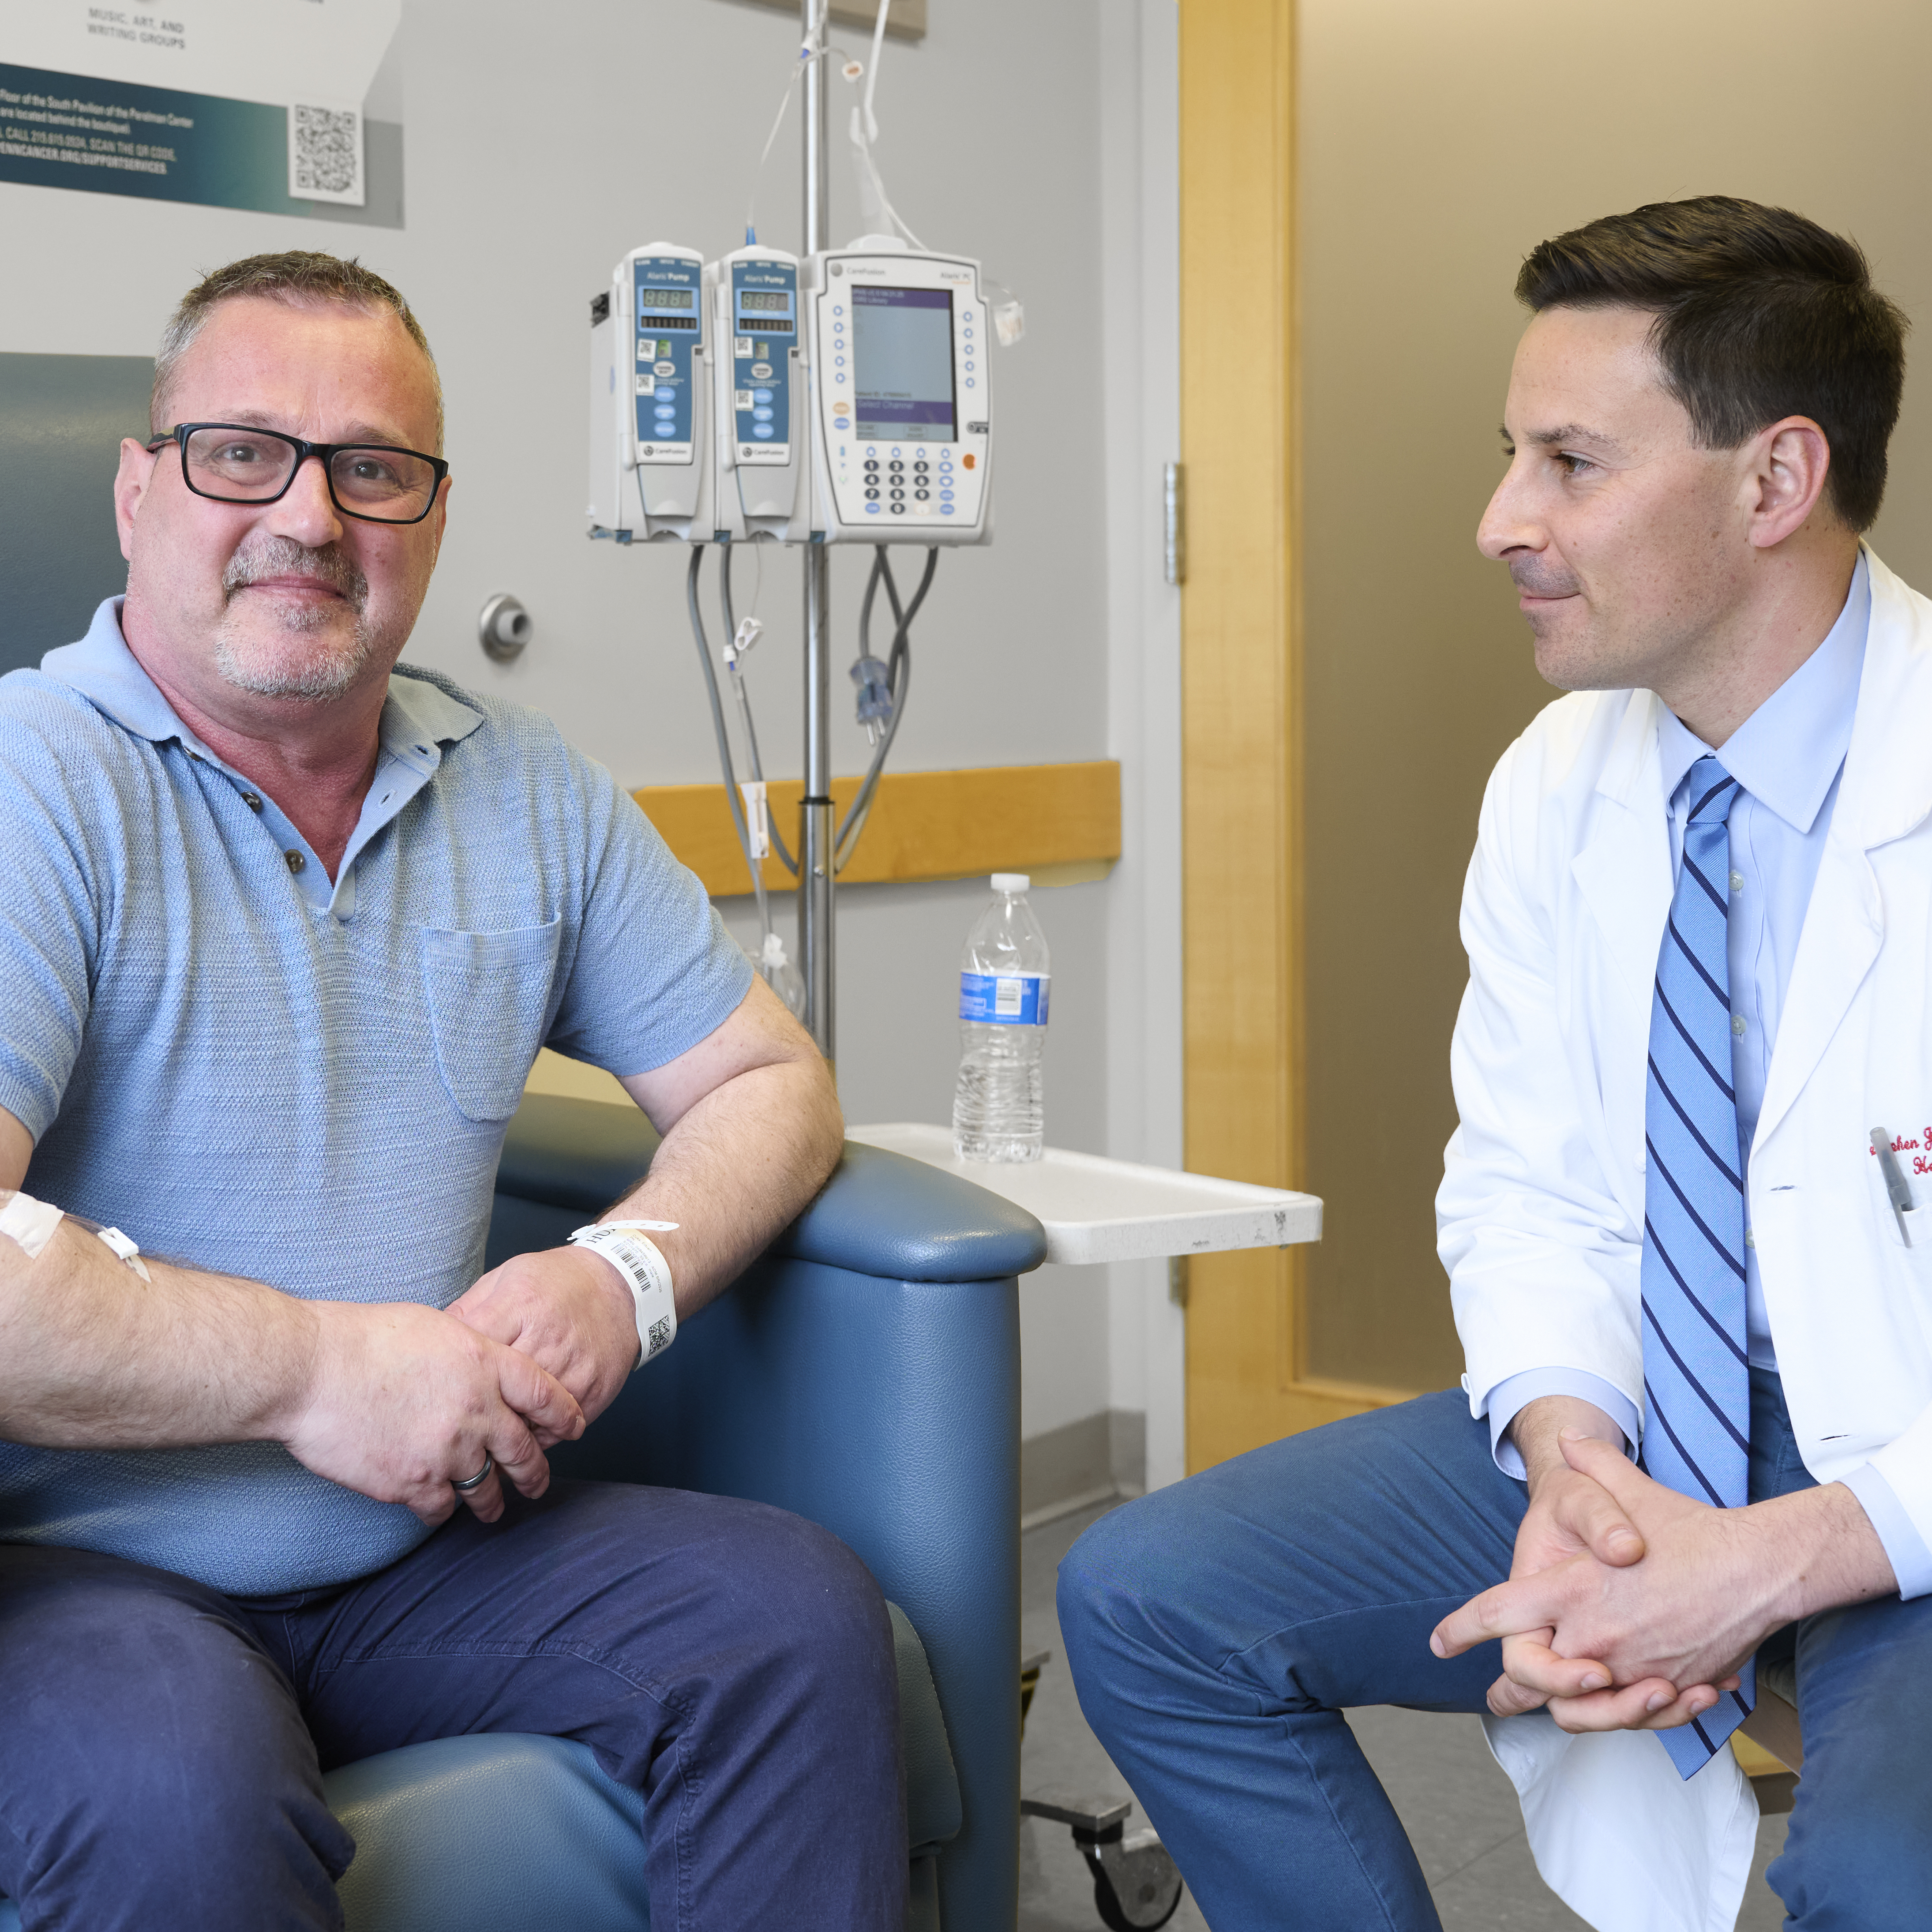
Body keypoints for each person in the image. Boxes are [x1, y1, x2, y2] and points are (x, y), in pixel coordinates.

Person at [0, 251, 902, 1932]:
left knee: (789, 1622)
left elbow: (773, 1082)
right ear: (137, 493)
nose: (311, 516)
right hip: (67, 1568)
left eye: (374, 469)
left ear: (428, 513)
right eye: (241, 453)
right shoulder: (34, 786)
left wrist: (619, 1277)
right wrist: (321, 1369)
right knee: (167, 1783)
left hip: (416, 1554)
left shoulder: (519, 786)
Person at [1059, 197, 1932, 1932]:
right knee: (1151, 1602)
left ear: (1773, 482)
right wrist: (1568, 1459)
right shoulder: (1556, 782)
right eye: (1508, 455)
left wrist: (1768, 1560)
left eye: (1570, 462)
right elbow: (1526, 1180)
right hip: (1651, 1417)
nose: (1500, 522)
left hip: (1908, 1476)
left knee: (1887, 1879)